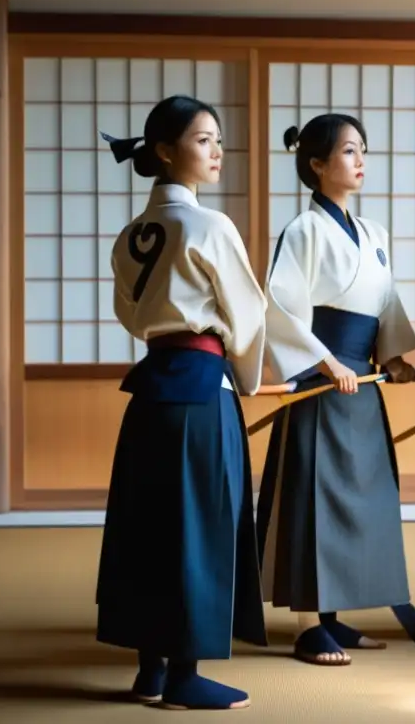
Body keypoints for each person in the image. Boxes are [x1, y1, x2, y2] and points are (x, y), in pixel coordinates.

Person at [96, 95, 283, 710]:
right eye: (204, 139)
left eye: (217, 139)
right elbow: (248, 310)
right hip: (202, 390)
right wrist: (248, 377)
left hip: (151, 388)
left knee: (150, 524)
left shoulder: (131, 234)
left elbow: (129, 313)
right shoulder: (209, 226)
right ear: (164, 151)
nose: (217, 150)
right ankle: (184, 675)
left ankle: (151, 668)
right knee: (198, 526)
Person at [256, 113, 415, 667]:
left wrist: (392, 355)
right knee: (315, 500)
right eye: (348, 151)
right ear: (317, 165)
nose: (360, 160)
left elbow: (385, 305)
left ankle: (335, 614)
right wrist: (325, 362)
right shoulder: (303, 231)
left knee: (360, 500)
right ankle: (307, 625)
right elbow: (280, 305)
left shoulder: (373, 234)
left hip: (360, 379)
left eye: (362, 150)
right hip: (322, 381)